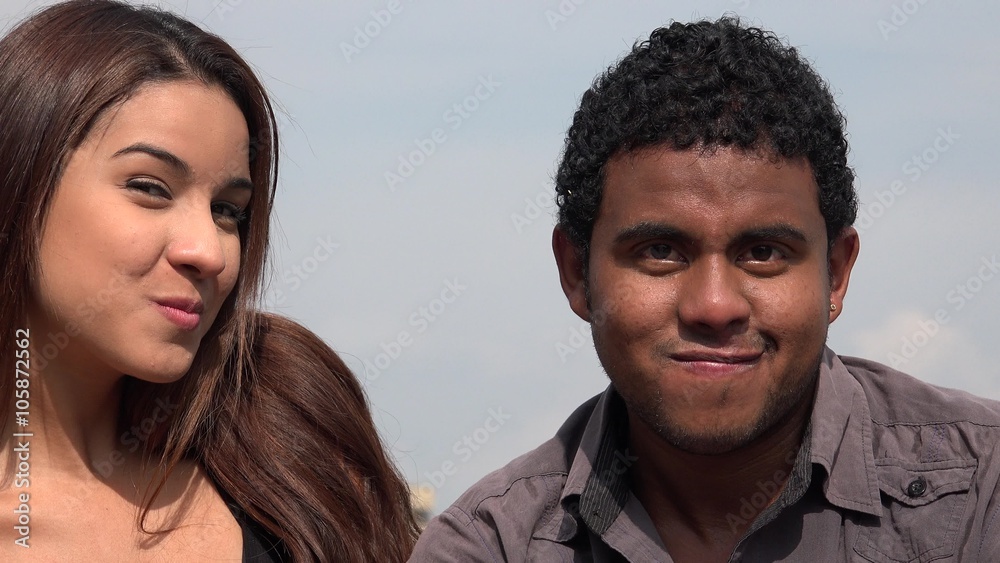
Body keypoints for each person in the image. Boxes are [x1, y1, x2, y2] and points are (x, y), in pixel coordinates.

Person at [410, 16, 1000, 562]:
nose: (715, 306)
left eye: (763, 253)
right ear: (576, 273)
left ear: (836, 273)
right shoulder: (491, 546)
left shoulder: (983, 492)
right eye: (660, 252)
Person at [0, 1, 417, 560]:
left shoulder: (284, 422)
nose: (210, 252)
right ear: (20, 180)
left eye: (228, 211)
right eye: (150, 187)